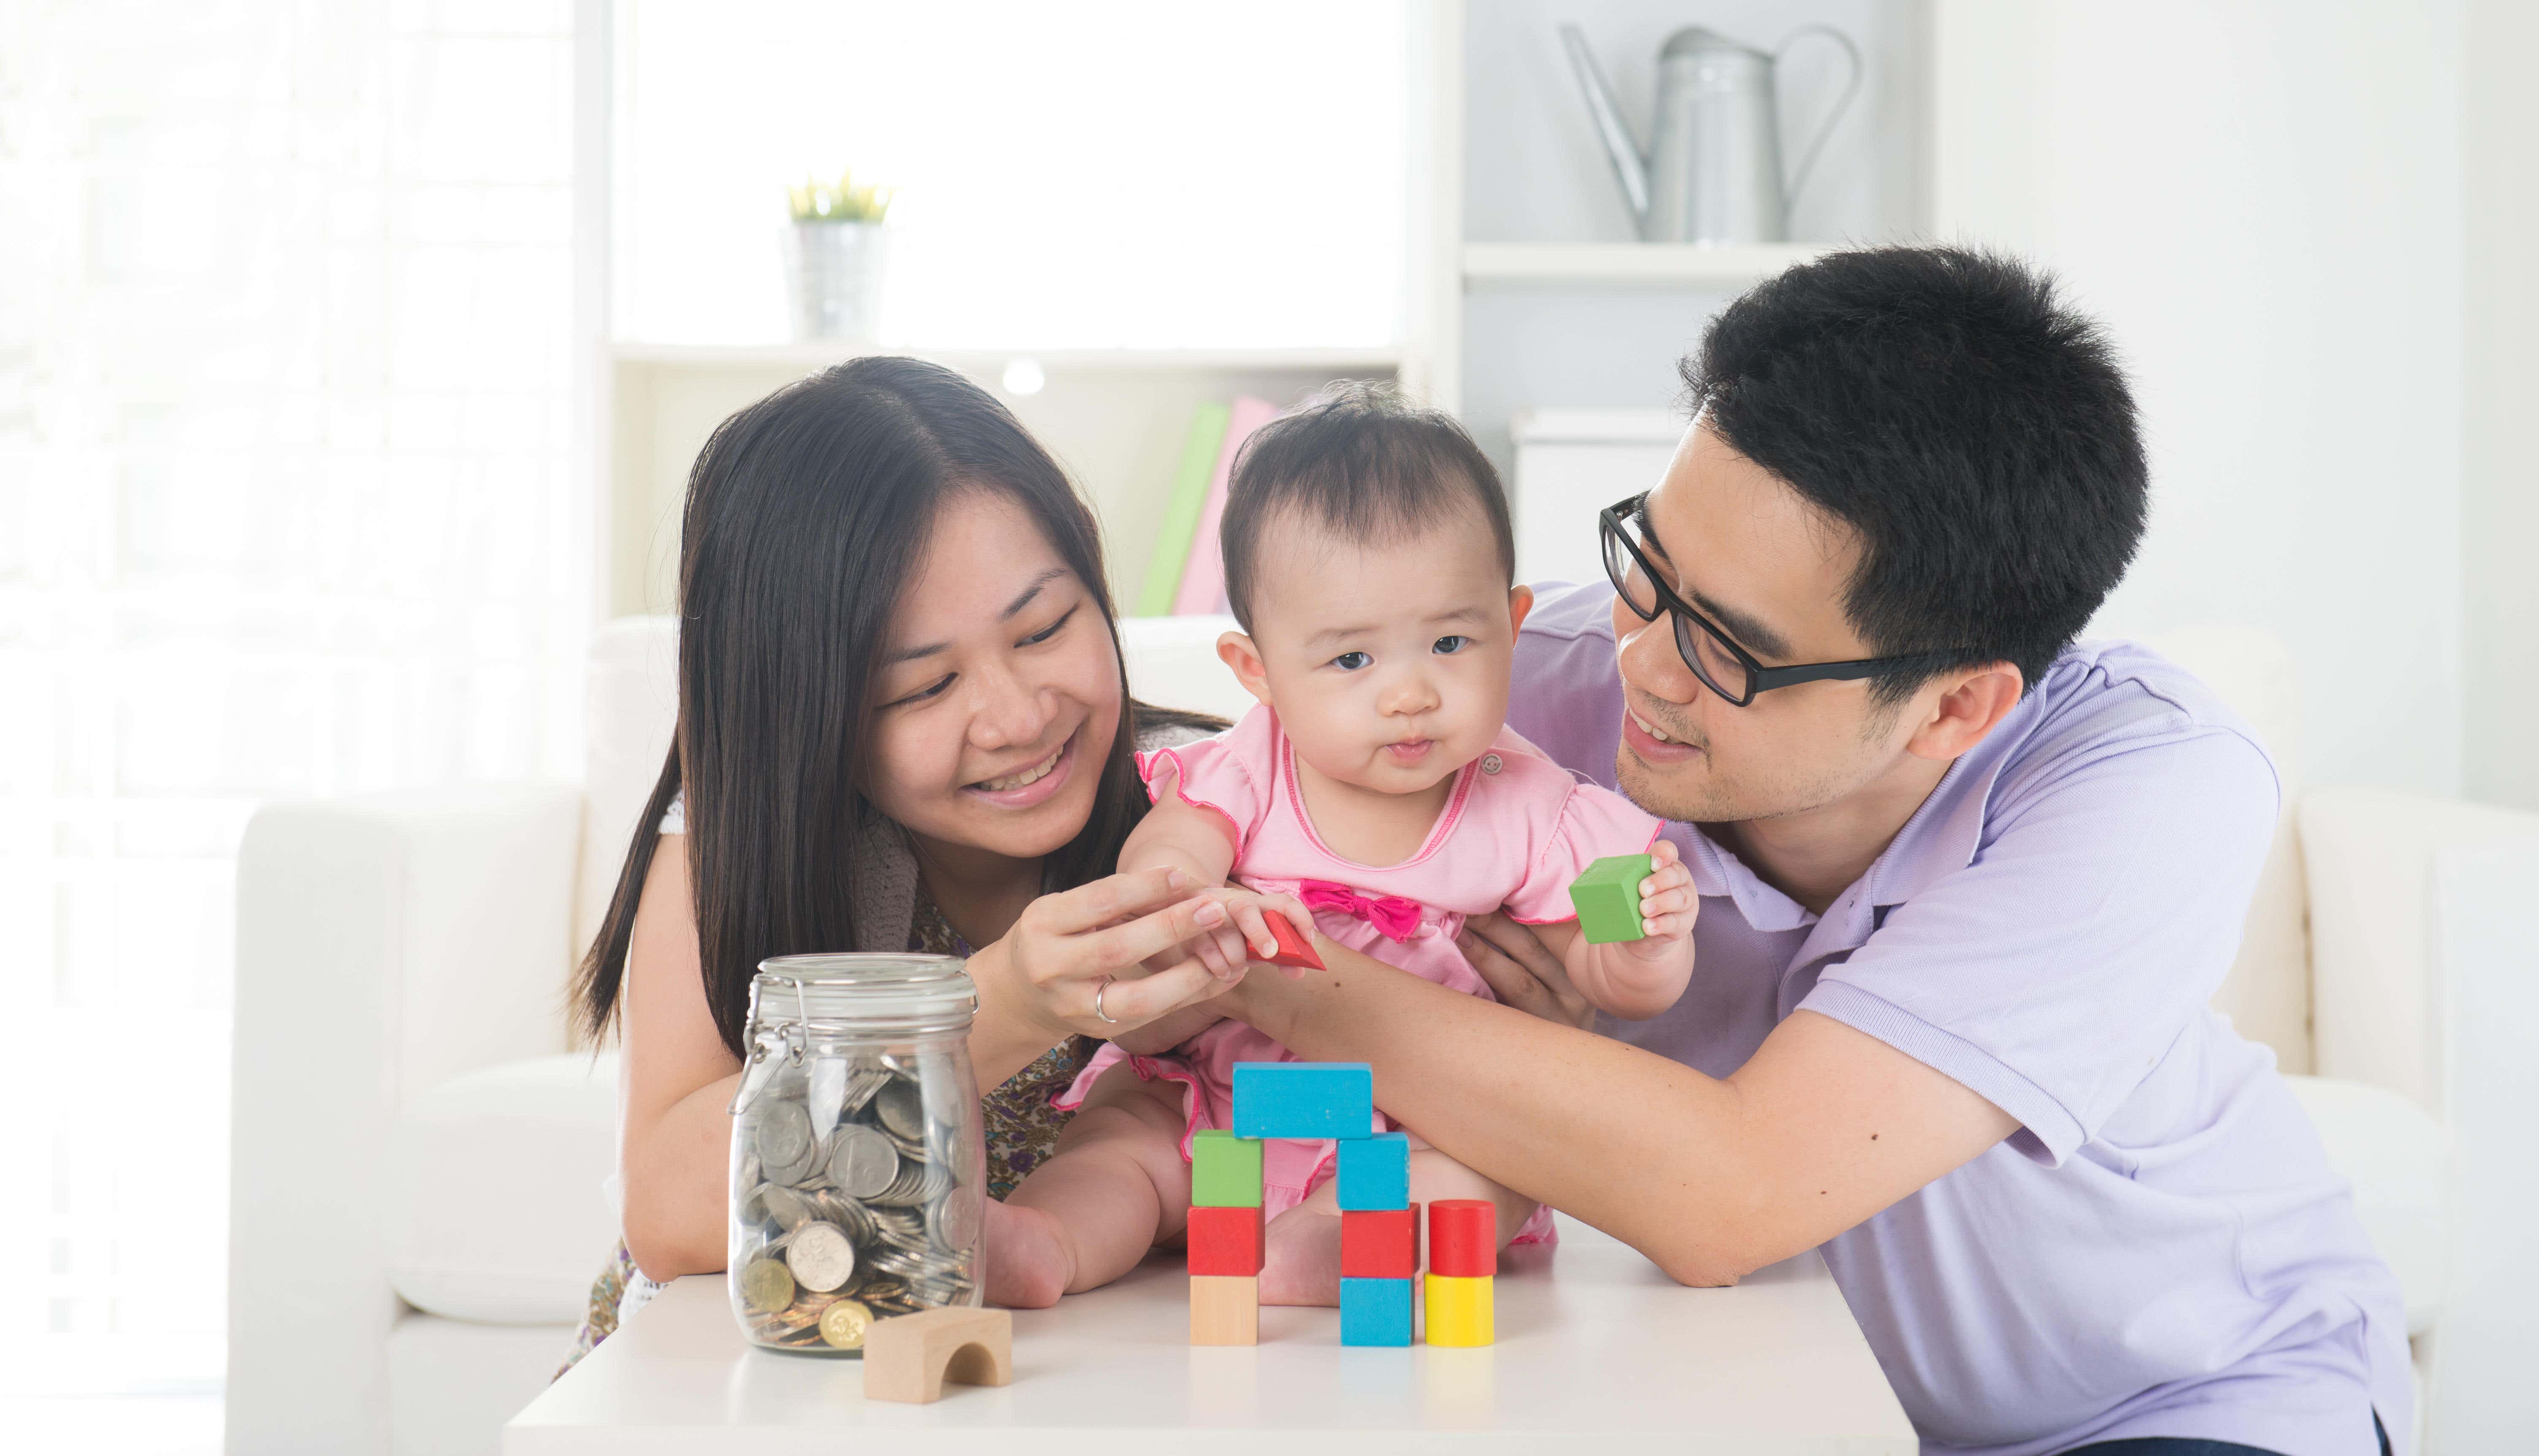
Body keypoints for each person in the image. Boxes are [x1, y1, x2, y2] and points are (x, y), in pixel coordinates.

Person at [1213, 249, 2409, 1456]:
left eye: (1730, 645)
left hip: (2180, 1401)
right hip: (1808, 1406)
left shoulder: (2148, 777)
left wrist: (1271, 968)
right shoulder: (1506, 702)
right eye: (1650, 566)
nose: (1646, 664)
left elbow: (1729, 1194)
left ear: (1953, 710)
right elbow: (1230, 795)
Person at [560, 355, 1295, 1365]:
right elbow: (672, 1212)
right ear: (806, 717)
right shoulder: (733, 841)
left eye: (1043, 627)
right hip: (761, 1378)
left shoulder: (1214, 799)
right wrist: (1001, 1001)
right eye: (922, 687)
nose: (1017, 716)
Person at [993, 390, 1697, 1307]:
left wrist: (1642, 942)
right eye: (1352, 660)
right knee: (1122, 1139)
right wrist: (1191, 902)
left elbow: (1601, 979)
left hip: (1423, 1114)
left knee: (1490, 1169)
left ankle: (1336, 1242)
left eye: (1449, 641)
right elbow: (1167, 854)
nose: (1409, 693)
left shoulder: (1533, 804)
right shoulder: (1250, 764)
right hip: (1220, 1094)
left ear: (1511, 623)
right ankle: (1045, 1240)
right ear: (1259, 671)